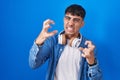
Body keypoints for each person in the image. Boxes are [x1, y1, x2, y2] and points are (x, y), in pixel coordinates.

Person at [29, 4, 102, 80]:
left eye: (76, 20)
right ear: (64, 19)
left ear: (82, 24)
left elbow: (97, 79)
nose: (70, 23)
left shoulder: (88, 47)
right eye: (68, 18)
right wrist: (38, 42)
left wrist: (92, 62)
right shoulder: (53, 41)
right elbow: (33, 65)